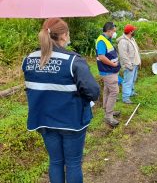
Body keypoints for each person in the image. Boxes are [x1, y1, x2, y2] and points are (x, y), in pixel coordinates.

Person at [22, 18, 100, 183]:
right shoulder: (73, 61)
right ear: (64, 35)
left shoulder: (28, 59)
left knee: (55, 161)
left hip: (43, 120)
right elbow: (93, 91)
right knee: (73, 163)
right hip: (71, 120)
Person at [96, 22, 121, 127]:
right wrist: (113, 64)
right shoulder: (102, 41)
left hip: (109, 71)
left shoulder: (106, 40)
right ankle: (108, 116)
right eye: (114, 31)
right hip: (108, 71)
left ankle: (108, 110)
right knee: (114, 91)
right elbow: (101, 56)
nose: (114, 33)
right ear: (109, 30)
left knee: (107, 90)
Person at [117, 24, 141, 104]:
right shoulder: (123, 42)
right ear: (130, 32)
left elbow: (136, 51)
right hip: (129, 65)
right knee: (127, 81)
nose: (135, 31)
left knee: (133, 80)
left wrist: (138, 61)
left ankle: (131, 92)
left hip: (135, 64)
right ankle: (126, 98)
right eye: (133, 30)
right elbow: (123, 55)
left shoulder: (132, 39)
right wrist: (128, 65)